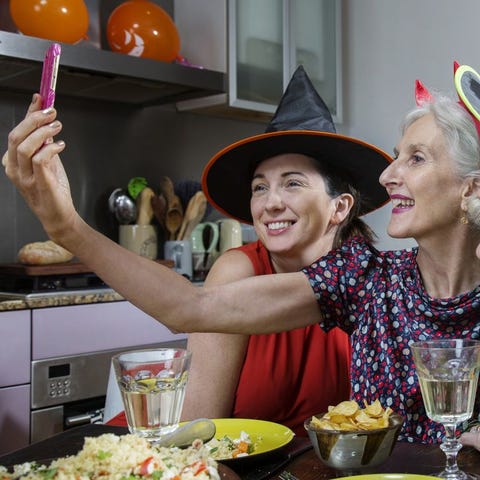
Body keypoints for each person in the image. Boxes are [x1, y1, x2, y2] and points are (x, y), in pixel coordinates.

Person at [4, 62, 480, 445]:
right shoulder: (365, 277)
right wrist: (67, 225)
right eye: (260, 187)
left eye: (415, 158)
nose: (388, 175)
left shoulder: (357, 264)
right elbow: (190, 309)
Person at [181, 67, 387, 435]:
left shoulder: (371, 280)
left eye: (292, 183)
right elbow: (198, 428)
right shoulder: (238, 271)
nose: (270, 203)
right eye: (260, 188)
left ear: (339, 208)